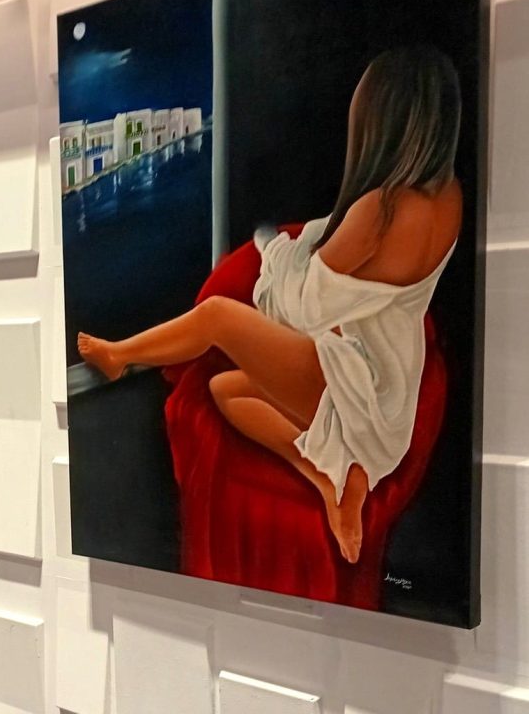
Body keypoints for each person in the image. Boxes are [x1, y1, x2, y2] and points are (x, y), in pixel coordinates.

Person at [77, 47, 463, 564]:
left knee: (216, 316)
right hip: (393, 395)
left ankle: (119, 355)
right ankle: (330, 480)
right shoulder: (448, 197)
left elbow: (301, 308)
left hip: (355, 386)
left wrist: (277, 254)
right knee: (225, 390)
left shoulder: (381, 208)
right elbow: (367, 288)